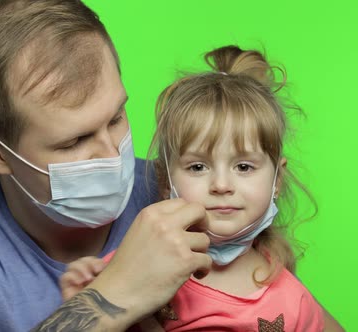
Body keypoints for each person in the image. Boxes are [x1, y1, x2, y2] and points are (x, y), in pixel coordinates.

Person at [0, 1, 343, 331]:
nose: (111, 152)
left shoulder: (187, 187)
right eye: (74, 140)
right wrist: (113, 298)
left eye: (117, 117)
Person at [61, 45, 330, 331]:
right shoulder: (138, 265)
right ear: (166, 182)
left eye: (244, 167)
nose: (222, 185)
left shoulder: (294, 303)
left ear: (276, 181)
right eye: (198, 167)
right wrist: (88, 300)